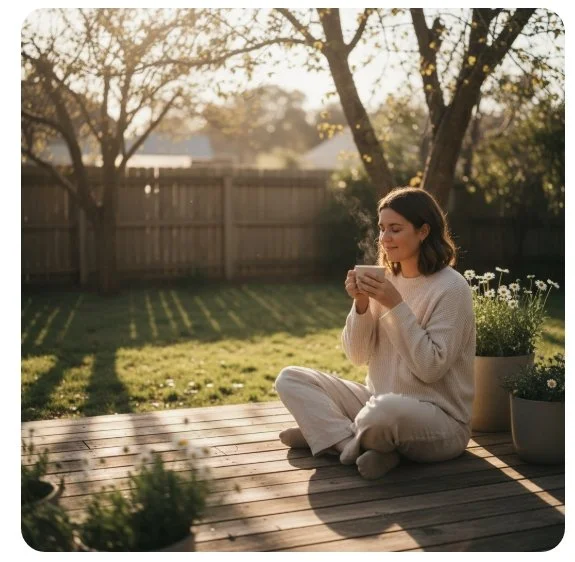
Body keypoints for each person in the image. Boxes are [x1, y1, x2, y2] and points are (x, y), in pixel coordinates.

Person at [274, 186, 476, 480]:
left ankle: (325, 434)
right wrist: (361, 304)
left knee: (384, 412)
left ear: (423, 231)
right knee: (290, 378)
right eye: (381, 229)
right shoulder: (386, 279)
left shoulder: (451, 288)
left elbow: (430, 368)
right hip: (376, 398)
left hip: (440, 419)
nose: (384, 238)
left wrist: (395, 305)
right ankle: (350, 444)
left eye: (395, 229)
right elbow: (356, 355)